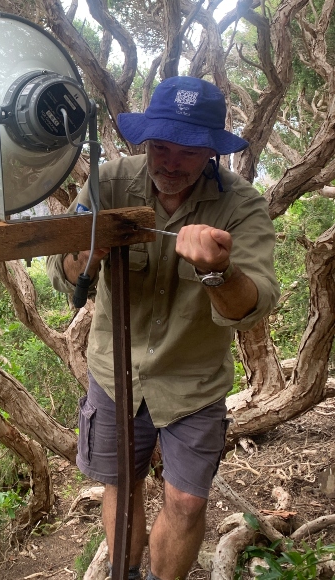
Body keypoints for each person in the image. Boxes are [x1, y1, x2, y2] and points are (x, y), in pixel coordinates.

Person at [47, 76, 280, 580]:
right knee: (121, 485)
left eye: (188, 151)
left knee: (187, 502)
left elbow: (256, 304)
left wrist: (220, 270)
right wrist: (79, 260)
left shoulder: (241, 206)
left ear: (212, 153)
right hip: (114, 372)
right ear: (145, 141)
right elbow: (62, 272)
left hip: (193, 380)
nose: (170, 162)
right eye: (160, 147)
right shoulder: (107, 184)